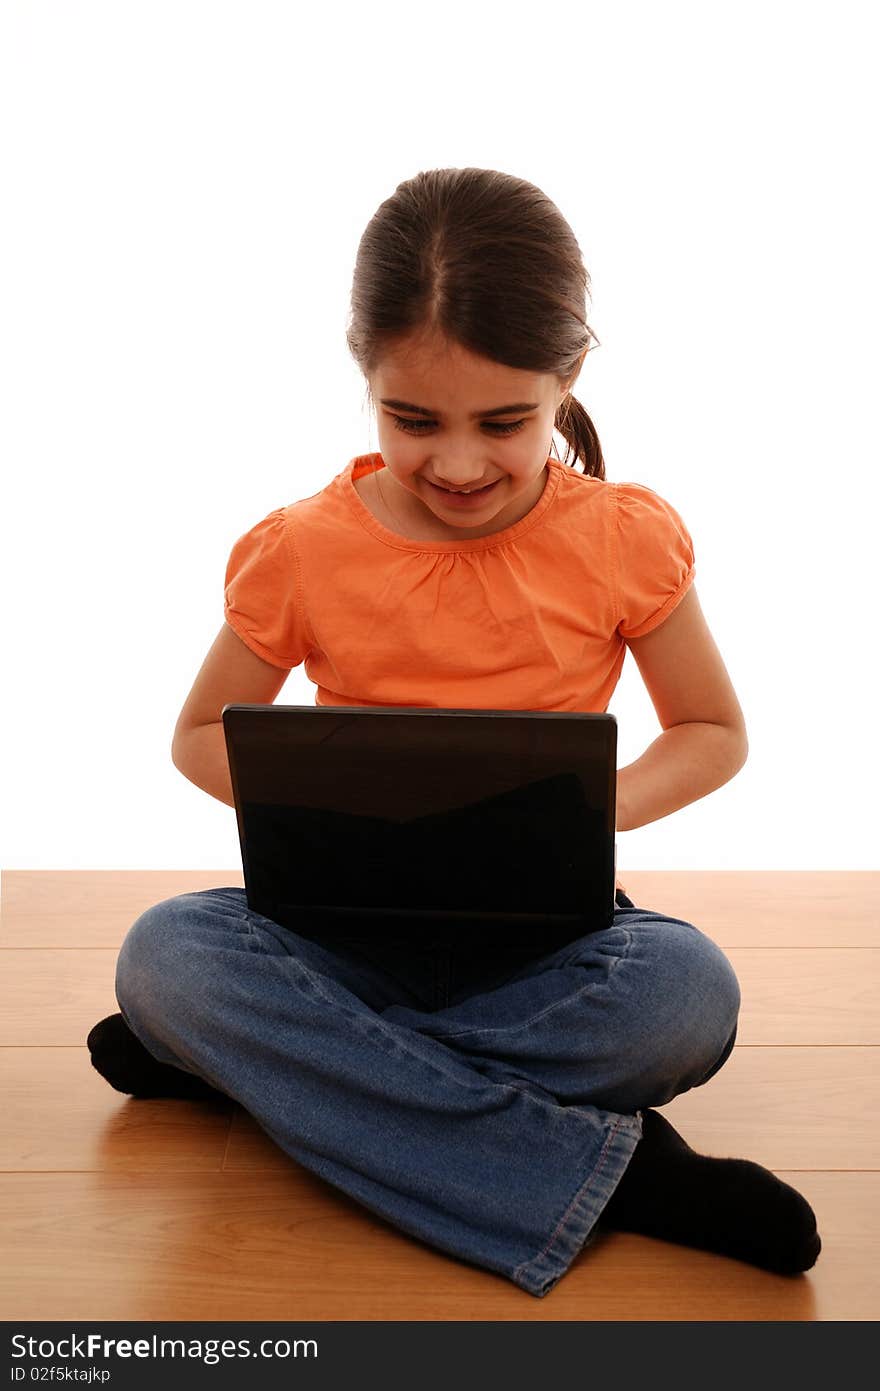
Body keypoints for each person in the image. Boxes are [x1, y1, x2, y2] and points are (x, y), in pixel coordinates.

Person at [87, 166, 821, 1298]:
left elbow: (713, 728)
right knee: (166, 951)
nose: (460, 463)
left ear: (565, 375)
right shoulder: (299, 546)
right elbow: (196, 732)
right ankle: (614, 1175)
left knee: (685, 991)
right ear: (364, 378)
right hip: (336, 922)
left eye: (506, 421)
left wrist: (578, 820)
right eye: (412, 419)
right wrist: (324, 811)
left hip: (545, 941)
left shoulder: (625, 535)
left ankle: (274, 1067)